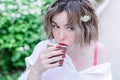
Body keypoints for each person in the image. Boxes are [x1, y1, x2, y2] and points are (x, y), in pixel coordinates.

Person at [18, 0, 112, 80]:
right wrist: (35, 72)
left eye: (70, 28)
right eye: (56, 26)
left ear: (85, 27)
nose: (61, 36)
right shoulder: (43, 50)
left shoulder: (98, 51)